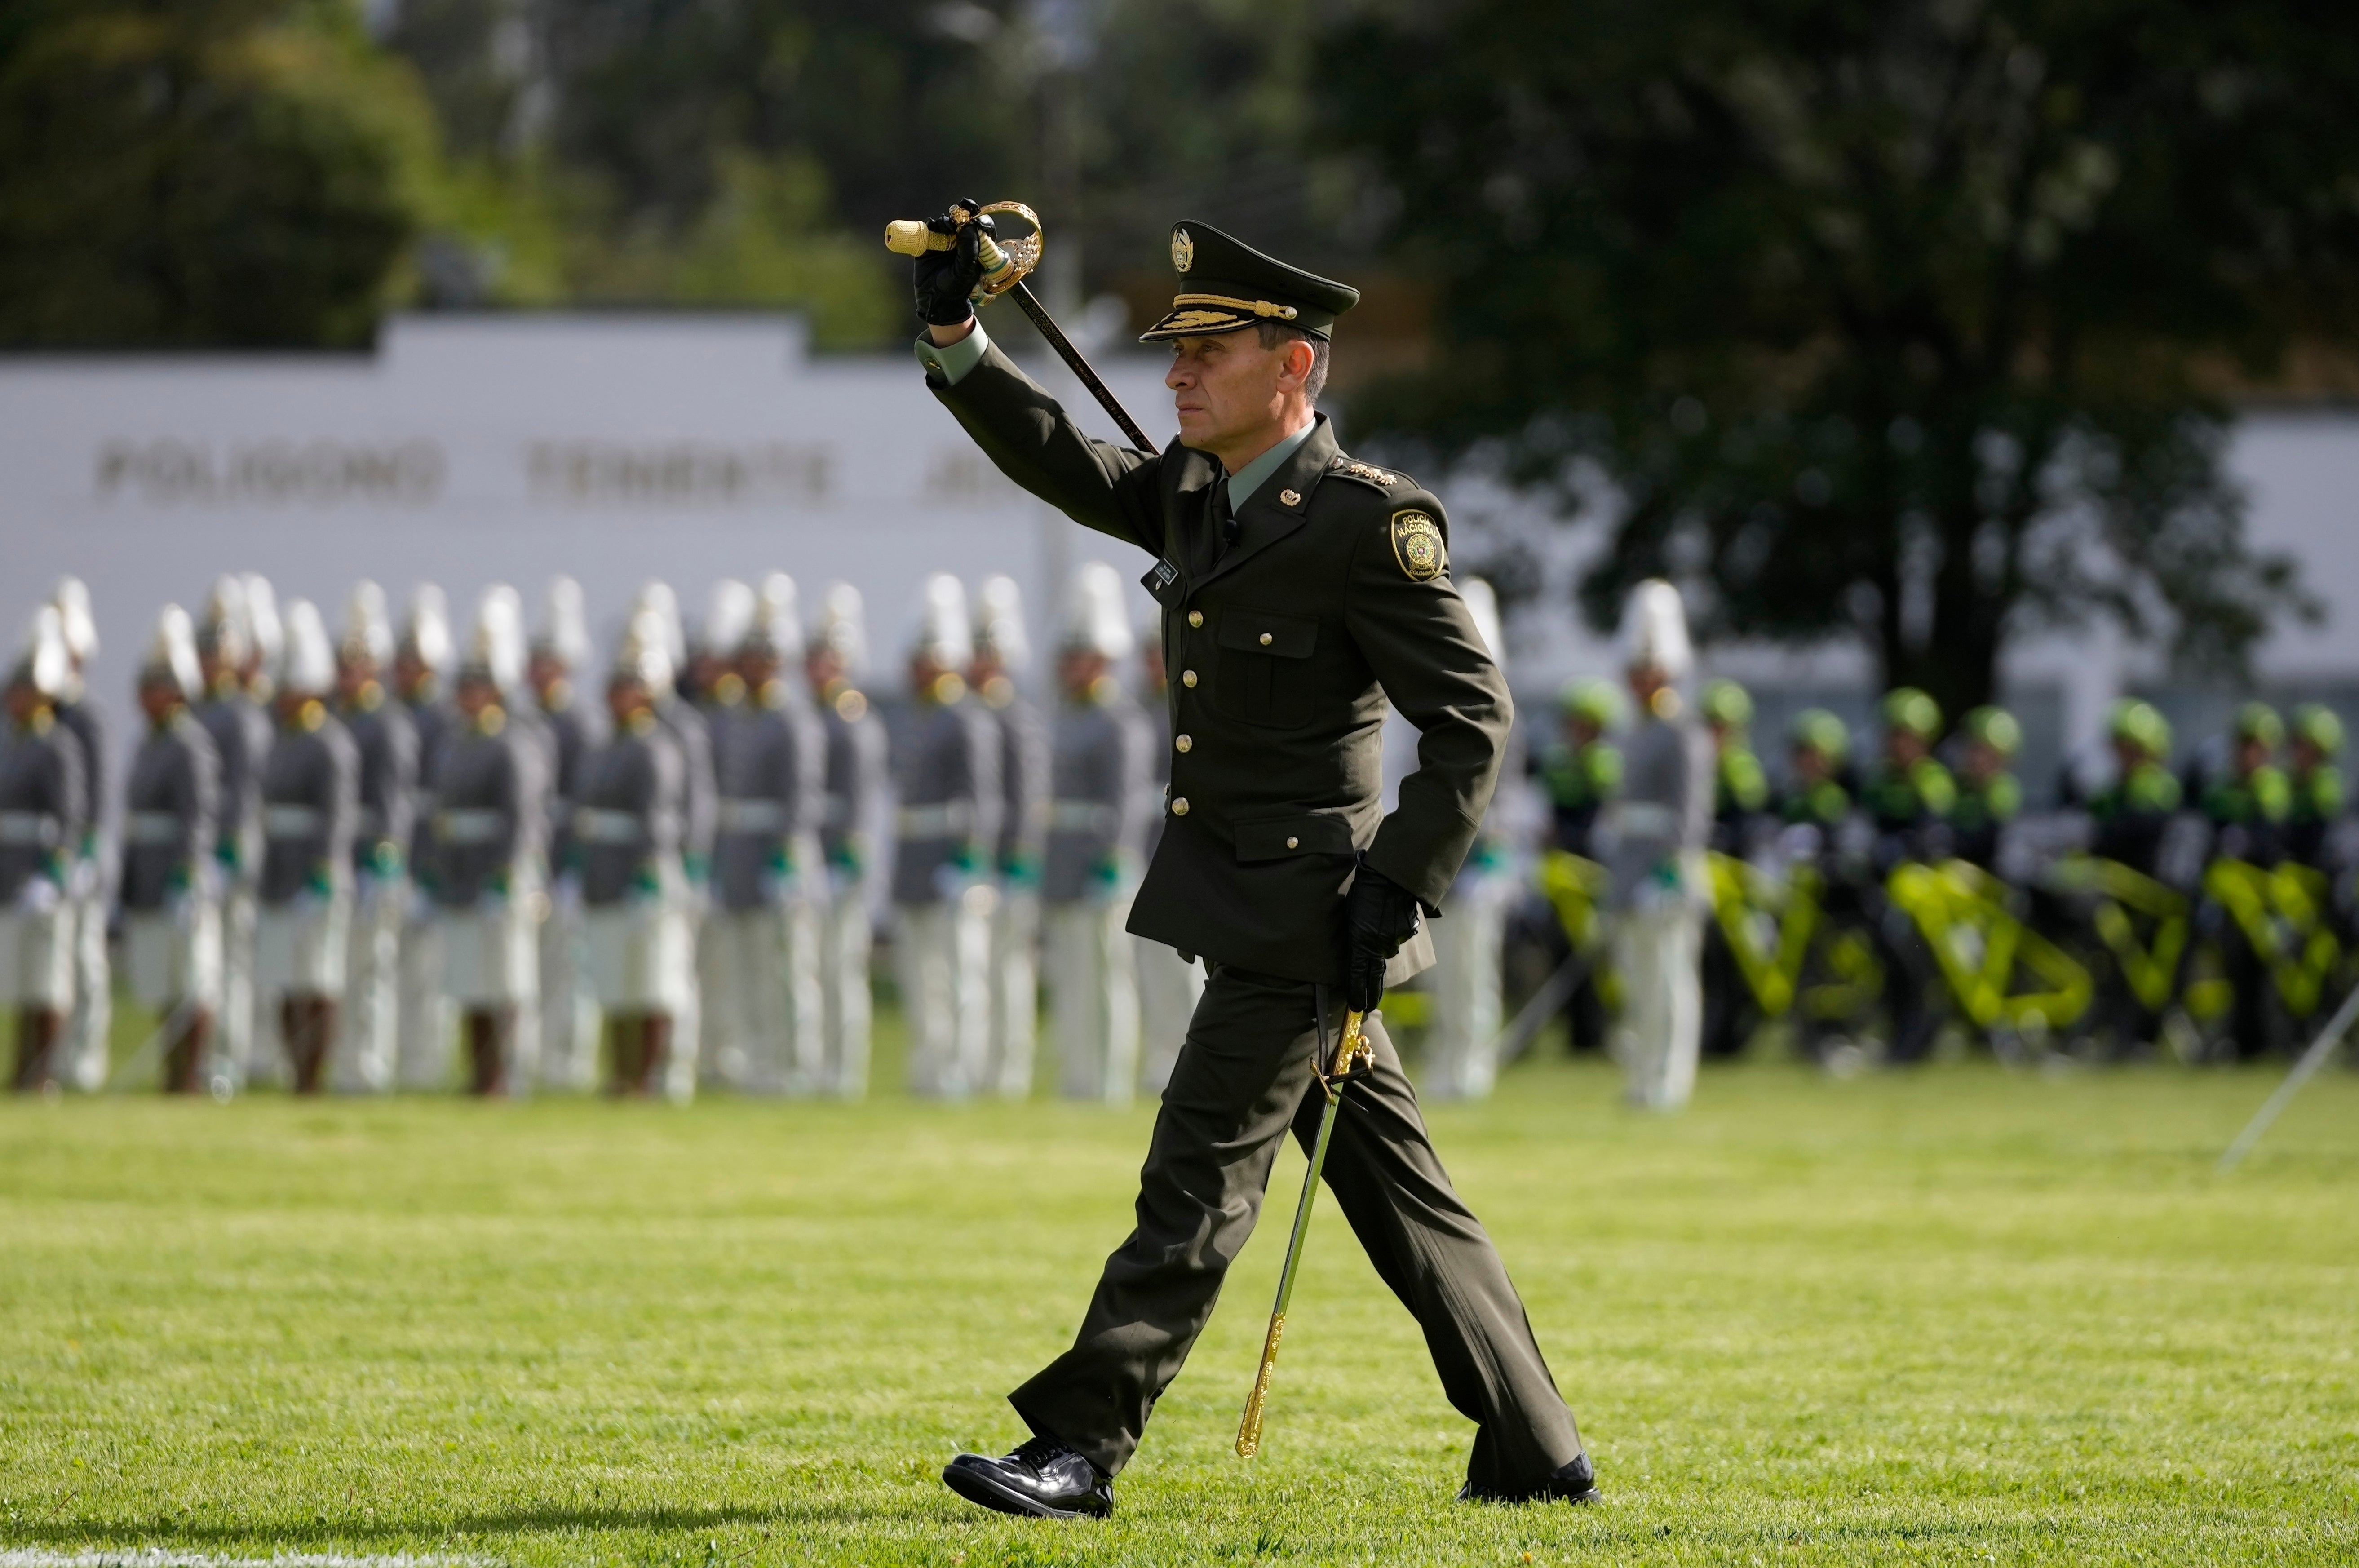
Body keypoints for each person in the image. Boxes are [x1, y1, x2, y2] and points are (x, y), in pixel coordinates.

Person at [915, 215, 1593, 1514]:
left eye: (1210, 351)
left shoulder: (1366, 525)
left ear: (1297, 369)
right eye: (1175, 351)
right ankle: (1538, 1448)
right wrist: (958, 336)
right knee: (1405, 1200)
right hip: (1252, 905)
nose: (1177, 372)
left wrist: (1397, 886)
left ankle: (1081, 1444)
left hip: (1308, 915)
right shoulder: (1194, 490)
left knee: (1196, 1178)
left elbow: (1473, 721)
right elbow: (1061, 455)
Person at [708, 573, 828, 1094]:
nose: (756, 666)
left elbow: (800, 796)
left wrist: (787, 859)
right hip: (736, 853)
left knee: (786, 970)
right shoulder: (731, 716)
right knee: (742, 968)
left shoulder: (793, 719)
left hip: (777, 854)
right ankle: (753, 1062)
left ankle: (794, 1064)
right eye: (749, 656)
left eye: (765, 657)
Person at [1041, 563, 1153, 1103]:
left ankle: (1108, 1080)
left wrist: (1114, 860)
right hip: (1063, 862)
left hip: (1099, 865)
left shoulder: (1120, 721)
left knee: (1108, 979)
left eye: (1079, 655)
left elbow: (1123, 800)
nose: (1071, 666)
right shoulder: (1063, 716)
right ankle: (1077, 1076)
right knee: (1071, 979)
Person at [1599, 581, 1713, 1110]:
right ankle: (1642, 1076)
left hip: (1666, 871)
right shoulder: (1632, 730)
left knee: (1670, 984)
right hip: (1630, 867)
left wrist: (1671, 868)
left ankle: (1669, 1080)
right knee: (1638, 982)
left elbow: (1689, 813)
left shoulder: (1683, 730)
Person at [429, 587, 546, 1094]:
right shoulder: (456, 741)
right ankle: (478, 1072)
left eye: (478, 685)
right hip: (461, 869)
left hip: (498, 873)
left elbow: (520, 817)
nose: (469, 693)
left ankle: (502, 1073)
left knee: (503, 980)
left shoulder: (513, 744)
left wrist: (507, 874)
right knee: (469, 979)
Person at [893, 573, 1002, 1099]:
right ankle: (928, 1069)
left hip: (949, 858)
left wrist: (970, 860)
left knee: (961, 974)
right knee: (921, 976)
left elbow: (981, 797)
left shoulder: (967, 717)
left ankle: (962, 1070)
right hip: (913, 858)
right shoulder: (915, 714)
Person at [575, 612, 693, 1097]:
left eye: (629, 687)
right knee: (615, 984)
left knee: (649, 981)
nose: (619, 696)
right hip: (605, 871)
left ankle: (646, 1075)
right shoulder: (608, 745)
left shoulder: (654, 749)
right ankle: (621, 1073)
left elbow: (656, 818)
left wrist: (648, 875)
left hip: (639, 872)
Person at [253, 601, 359, 1094]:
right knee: (282, 977)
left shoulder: (330, 744)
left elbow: (335, 817)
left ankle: (313, 1076)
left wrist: (323, 872)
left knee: (317, 979)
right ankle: (293, 1066)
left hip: (314, 874)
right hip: (278, 870)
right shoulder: (280, 739)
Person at [1422, 578, 1518, 1099]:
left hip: (1481, 863)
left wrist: (1498, 854)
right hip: (1442, 867)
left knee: (1475, 974)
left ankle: (1473, 1066)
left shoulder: (1506, 714)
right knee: (1443, 977)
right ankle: (1446, 1061)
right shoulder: (1435, 706)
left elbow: (1509, 797)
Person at [120, 606, 223, 1094]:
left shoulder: (190, 744)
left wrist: (189, 874)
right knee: (163, 980)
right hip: (149, 870)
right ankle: (171, 1074)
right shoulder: (148, 743)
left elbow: (197, 815)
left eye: (156, 683)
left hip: (180, 875)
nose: (146, 694)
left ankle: (193, 1076)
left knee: (192, 981)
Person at [634, 580, 718, 1094]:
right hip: (643, 865)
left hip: (672, 863)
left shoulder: (684, 727)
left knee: (678, 970)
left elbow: (697, 801)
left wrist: (694, 858)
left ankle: (678, 1069)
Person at [3, 609, 89, 1092]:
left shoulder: (58, 745)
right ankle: (20, 1070)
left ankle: (44, 1074)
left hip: (40, 873)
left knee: (47, 982)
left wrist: (54, 873)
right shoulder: (9, 741)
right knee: (19, 980)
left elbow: (70, 817)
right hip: (8, 872)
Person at [336, 582, 416, 1092]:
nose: (350, 672)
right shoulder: (342, 717)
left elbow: (392, 799)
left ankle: (369, 1065)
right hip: (344, 854)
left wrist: (384, 860)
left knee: (373, 971)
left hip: (372, 856)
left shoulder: (388, 724)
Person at [806, 583, 885, 1098]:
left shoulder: (852, 721)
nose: (817, 668)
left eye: (827, 659)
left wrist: (847, 859)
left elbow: (855, 803)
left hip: (839, 856)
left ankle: (845, 1069)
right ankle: (818, 1064)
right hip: (812, 855)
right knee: (814, 967)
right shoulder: (814, 715)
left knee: (841, 968)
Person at [972, 574, 1048, 1098]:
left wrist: (1021, 855)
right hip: (980, 866)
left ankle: (1011, 1072)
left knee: (1011, 972)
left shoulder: (1018, 719)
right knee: (978, 973)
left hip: (1009, 863)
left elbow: (1027, 795)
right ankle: (981, 1069)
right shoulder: (972, 713)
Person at [194, 576, 270, 1085]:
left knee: (239, 959)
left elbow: (242, 789)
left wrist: (233, 849)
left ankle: (232, 1057)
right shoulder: (199, 710)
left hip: (232, 846)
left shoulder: (242, 716)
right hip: (203, 851)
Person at [531, 577, 605, 1090]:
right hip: (534, 853)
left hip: (568, 852)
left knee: (571, 968)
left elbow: (586, 801)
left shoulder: (581, 724)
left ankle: (571, 1060)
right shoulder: (523, 718)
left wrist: (576, 862)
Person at [1128, 611, 1204, 1095]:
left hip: (1189, 855)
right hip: (1147, 849)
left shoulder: (1193, 705)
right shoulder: (1137, 709)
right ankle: (1160, 1054)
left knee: (1186, 974)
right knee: (1150, 969)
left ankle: (1189, 1056)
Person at [1860, 687, 1956, 1063]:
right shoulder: (1880, 780)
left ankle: (1918, 1034)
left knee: (1916, 966)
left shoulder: (1931, 779)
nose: (1899, 745)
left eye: (1907, 737)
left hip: (1924, 892)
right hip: (1890, 889)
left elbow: (1934, 837)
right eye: (1894, 736)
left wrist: (1904, 846)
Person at [1531, 676, 1624, 1053]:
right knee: (1562, 949)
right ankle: (1577, 1035)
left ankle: (1600, 1031)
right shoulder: (1557, 763)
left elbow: (1603, 821)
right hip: (1561, 873)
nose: (1576, 731)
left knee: (1597, 955)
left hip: (1594, 872)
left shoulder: (1606, 764)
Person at [394, 584, 456, 1088]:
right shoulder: (395, 712)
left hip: (431, 853)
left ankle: (426, 1062)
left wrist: (432, 867)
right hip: (395, 851)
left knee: (430, 973)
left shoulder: (447, 719)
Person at [50, 578, 110, 1091]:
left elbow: (96, 788)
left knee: (87, 959)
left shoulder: (86, 715)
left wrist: (86, 850)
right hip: (45, 854)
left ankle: (86, 1063)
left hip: (81, 850)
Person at [1696, 677, 1770, 1060]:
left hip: (1739, 880)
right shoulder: (1700, 764)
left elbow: (1748, 828)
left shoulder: (1741, 768)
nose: (1713, 734)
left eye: (1720, 726)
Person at [1949, 706, 2023, 872]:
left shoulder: (2003, 792)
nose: (1976, 759)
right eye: (1973, 749)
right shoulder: (1956, 787)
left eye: (1985, 753)